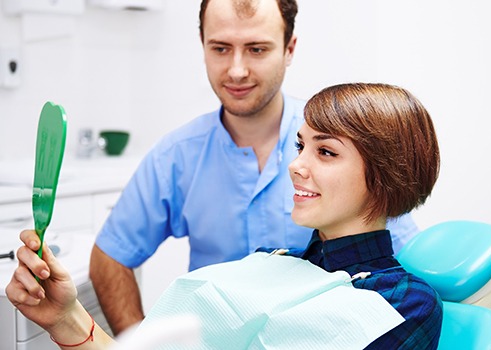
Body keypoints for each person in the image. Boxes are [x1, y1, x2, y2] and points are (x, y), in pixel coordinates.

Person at [6, 82, 442, 349]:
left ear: (386, 177)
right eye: (300, 146)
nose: (296, 164)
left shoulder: (403, 303)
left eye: (325, 151)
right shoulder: (273, 262)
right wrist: (67, 318)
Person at [89, 0, 420, 336]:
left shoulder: (340, 141)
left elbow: (400, 257)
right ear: (202, 45)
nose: (236, 70)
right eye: (220, 48)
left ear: (289, 49)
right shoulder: (176, 156)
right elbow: (111, 256)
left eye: (257, 49)